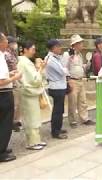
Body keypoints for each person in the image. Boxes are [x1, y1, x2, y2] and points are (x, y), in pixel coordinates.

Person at [17, 41, 47, 150]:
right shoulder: (24, 62)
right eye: (32, 49)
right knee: (31, 117)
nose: (34, 52)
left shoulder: (24, 61)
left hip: (29, 92)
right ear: (25, 49)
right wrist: (40, 68)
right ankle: (32, 142)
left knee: (34, 116)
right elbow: (35, 79)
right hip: (28, 92)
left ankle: (36, 140)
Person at [63, 34, 95, 128]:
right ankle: (72, 120)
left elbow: (80, 67)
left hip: (80, 79)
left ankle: (84, 118)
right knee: (72, 101)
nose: (82, 45)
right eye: (80, 43)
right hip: (72, 80)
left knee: (82, 101)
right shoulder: (67, 54)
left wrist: (86, 66)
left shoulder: (80, 55)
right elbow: (64, 67)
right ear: (75, 44)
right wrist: (67, 80)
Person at [0, 32, 22, 162]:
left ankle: (2, 147)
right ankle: (1, 152)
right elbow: (1, 81)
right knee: (5, 123)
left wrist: (9, 73)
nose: (7, 43)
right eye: (5, 40)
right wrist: (15, 77)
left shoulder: (2, 55)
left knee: (3, 122)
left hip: (4, 93)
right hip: (3, 94)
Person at [45, 39, 68, 139]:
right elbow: (63, 72)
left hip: (60, 86)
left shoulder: (55, 58)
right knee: (57, 110)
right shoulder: (51, 59)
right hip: (56, 87)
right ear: (53, 48)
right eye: (58, 46)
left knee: (60, 109)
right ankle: (55, 131)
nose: (60, 48)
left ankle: (58, 127)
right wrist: (65, 70)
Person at [4, 36, 22, 132]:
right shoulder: (6, 54)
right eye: (14, 43)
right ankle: (12, 122)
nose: (15, 45)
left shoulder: (14, 53)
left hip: (16, 80)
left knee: (18, 103)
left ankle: (16, 120)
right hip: (11, 81)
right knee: (15, 104)